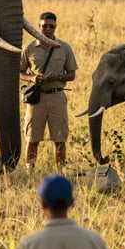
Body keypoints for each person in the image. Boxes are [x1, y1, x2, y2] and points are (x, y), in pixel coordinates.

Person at [19, 11, 78, 171]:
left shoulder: (64, 47)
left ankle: (61, 171)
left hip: (57, 96)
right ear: (38, 27)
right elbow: (20, 72)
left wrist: (58, 76)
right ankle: (29, 170)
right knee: (32, 138)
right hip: (36, 98)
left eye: (51, 26)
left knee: (59, 138)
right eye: (45, 26)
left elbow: (72, 74)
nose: (48, 29)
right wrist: (32, 79)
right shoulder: (29, 48)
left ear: (56, 27)